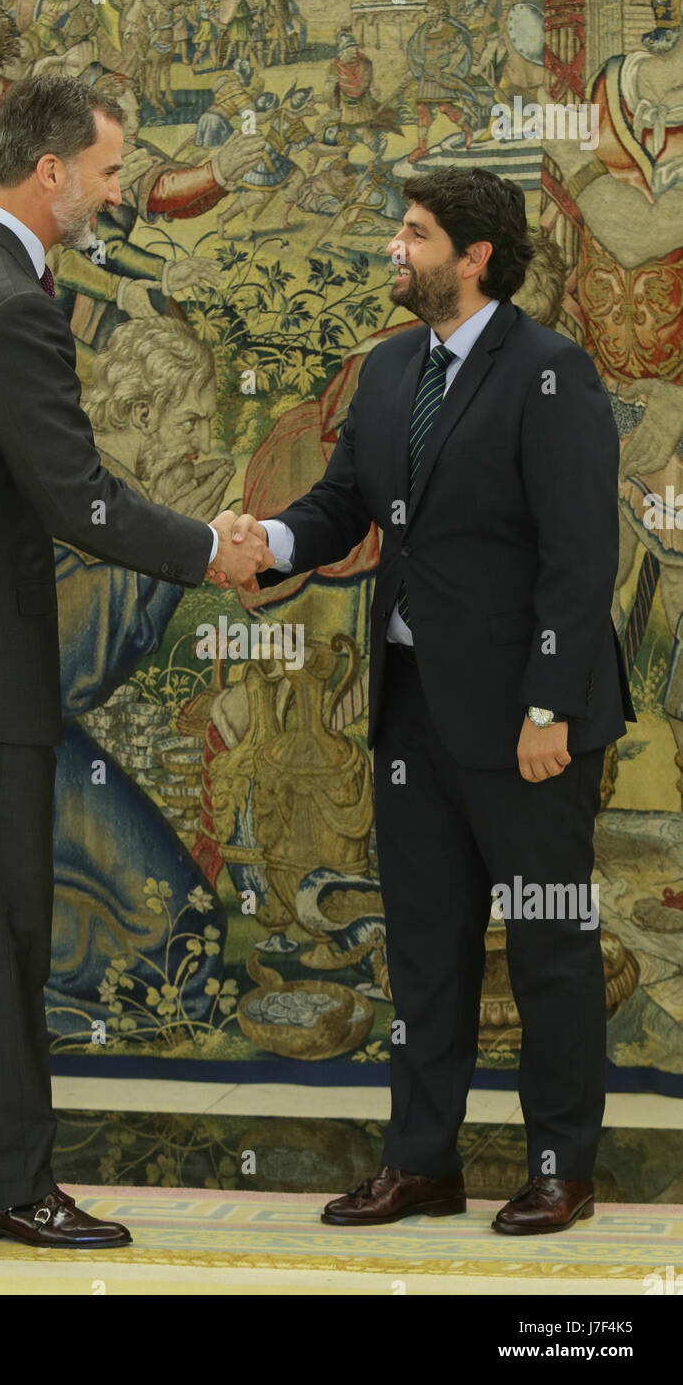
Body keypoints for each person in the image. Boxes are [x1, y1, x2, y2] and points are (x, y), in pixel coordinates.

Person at [0, 74, 271, 1250]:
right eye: (112, 172)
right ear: (52, 172)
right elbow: (74, 494)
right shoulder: (10, 302)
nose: (119, 193)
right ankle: (2, 1186)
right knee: (2, 932)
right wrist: (206, 550)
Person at [230, 166, 635, 1235]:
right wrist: (268, 542)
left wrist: (549, 707)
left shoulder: (551, 373)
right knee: (422, 946)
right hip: (411, 709)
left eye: (412, 234)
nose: (393, 250)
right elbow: (342, 504)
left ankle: (559, 1166)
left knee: (547, 941)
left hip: (525, 719)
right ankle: (421, 1163)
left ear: (474, 258)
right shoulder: (387, 369)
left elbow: (577, 555)